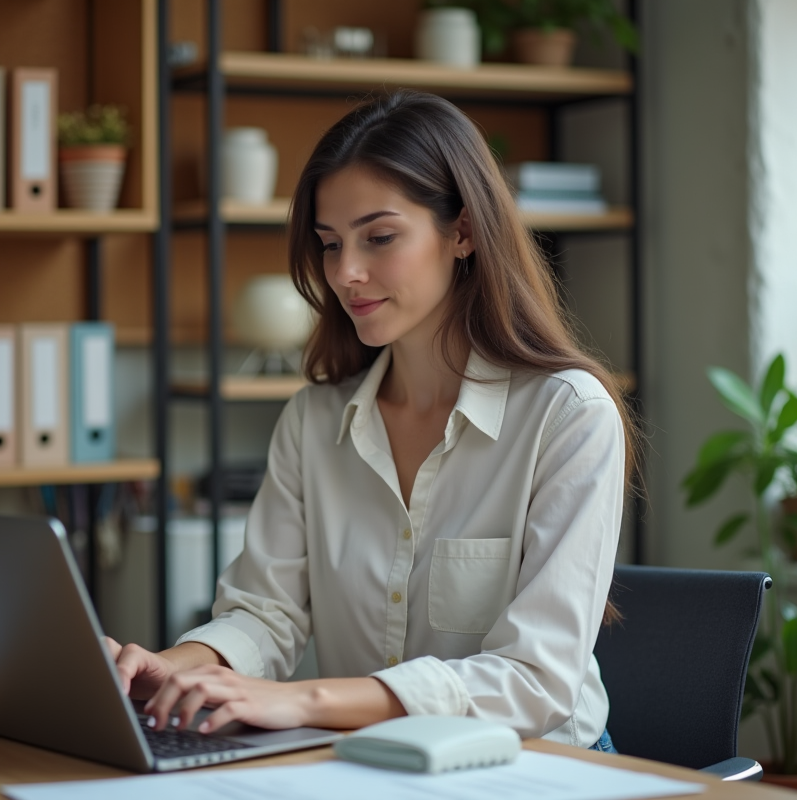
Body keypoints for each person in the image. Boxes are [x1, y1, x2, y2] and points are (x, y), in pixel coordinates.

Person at [108, 90, 638, 753]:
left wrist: (304, 698)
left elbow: (535, 679)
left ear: (464, 232)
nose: (346, 274)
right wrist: (178, 666)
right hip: (371, 763)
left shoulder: (568, 414)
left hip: (540, 768)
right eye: (330, 245)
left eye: (379, 238)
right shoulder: (313, 420)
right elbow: (264, 614)